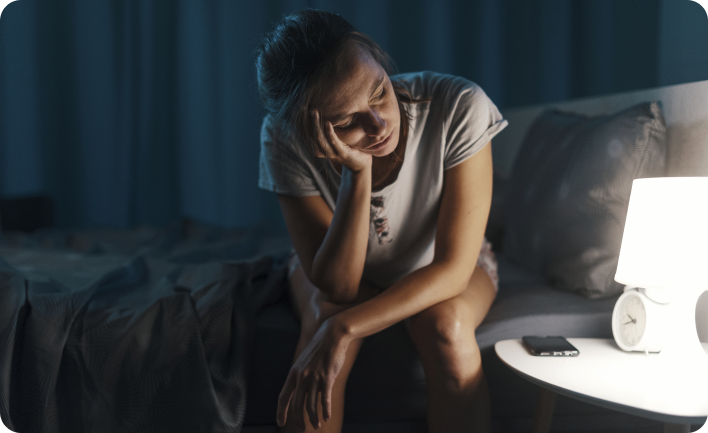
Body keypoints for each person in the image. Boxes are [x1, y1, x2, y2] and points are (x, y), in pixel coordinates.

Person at [255, 9, 507, 433]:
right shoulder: (282, 139)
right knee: (321, 311)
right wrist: (357, 172)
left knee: (447, 327)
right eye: (348, 122)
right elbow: (339, 286)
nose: (378, 124)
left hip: (437, 264)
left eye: (378, 92)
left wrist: (345, 327)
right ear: (307, 130)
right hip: (335, 267)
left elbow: (453, 270)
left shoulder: (458, 106)